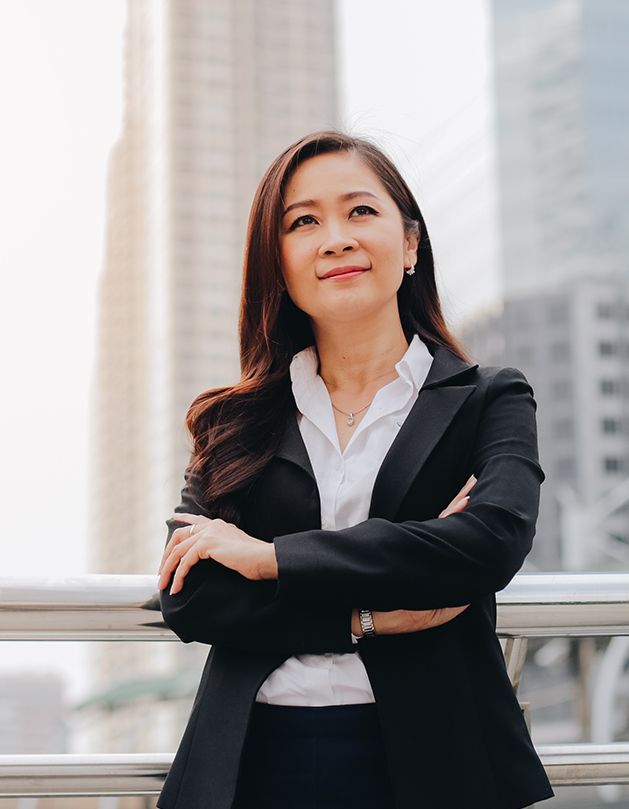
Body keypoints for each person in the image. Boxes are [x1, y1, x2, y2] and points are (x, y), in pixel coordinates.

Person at [153, 131, 552, 809]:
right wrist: (365, 620)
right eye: (303, 222)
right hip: (249, 764)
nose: (334, 238)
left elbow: (488, 544)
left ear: (410, 243)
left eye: (360, 211)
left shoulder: (489, 398)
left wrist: (270, 559)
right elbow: (194, 596)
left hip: (438, 763)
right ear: (278, 263)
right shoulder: (235, 423)